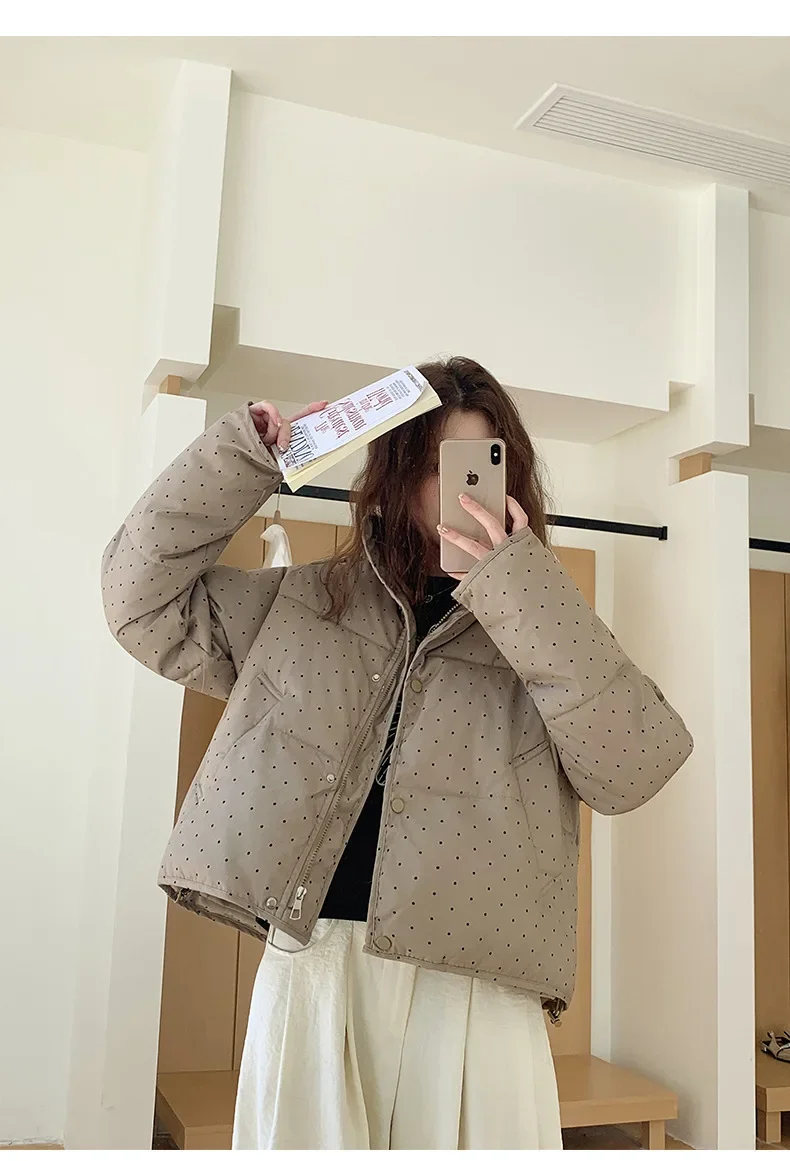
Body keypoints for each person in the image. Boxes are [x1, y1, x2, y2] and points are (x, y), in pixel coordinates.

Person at [101, 356, 693, 1150]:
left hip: (477, 984)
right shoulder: (303, 603)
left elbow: (636, 764)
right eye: (435, 463)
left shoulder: (544, 632)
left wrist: (520, 587)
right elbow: (138, 601)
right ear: (393, 472)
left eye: (480, 464)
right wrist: (242, 458)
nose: (459, 489)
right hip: (316, 963)